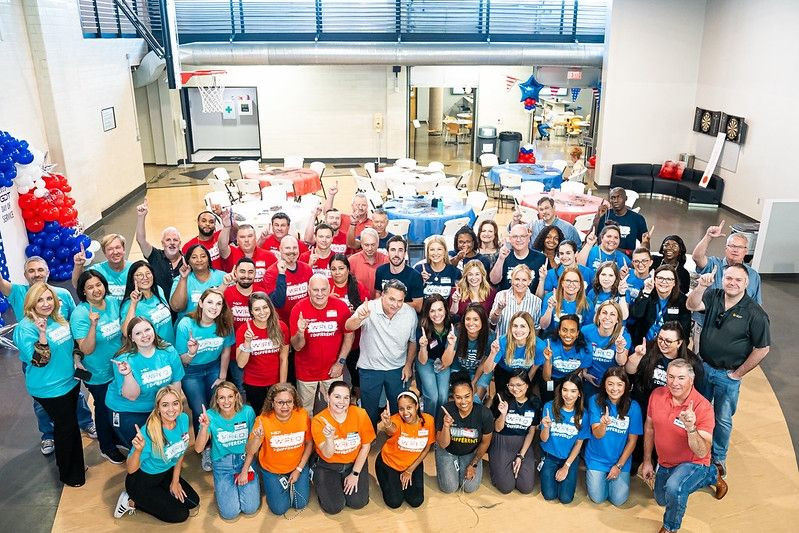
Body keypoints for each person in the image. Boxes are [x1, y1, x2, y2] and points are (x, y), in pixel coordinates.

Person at [1, 256, 95, 454]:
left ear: (48, 272)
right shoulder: (18, 292)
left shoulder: (62, 294)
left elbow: (72, 321)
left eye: (40, 270)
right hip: (37, 358)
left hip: (64, 355)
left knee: (74, 394)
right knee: (42, 403)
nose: (36, 274)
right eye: (32, 271)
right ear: (25, 275)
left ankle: (86, 422)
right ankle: (48, 435)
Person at [686, 263, 770, 475]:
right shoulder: (713, 295)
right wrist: (700, 287)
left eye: (738, 280)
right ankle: (696, 450)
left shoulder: (755, 313)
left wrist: (738, 373)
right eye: (729, 279)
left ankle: (719, 458)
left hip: (728, 375)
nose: (732, 283)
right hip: (704, 368)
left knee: (722, 419)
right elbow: (691, 305)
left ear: (747, 283)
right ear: (722, 279)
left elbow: (762, 349)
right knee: (698, 412)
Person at [642, 359, 727, 533]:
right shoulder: (657, 395)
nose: (675, 383)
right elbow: (649, 428)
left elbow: (702, 450)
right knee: (661, 499)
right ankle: (712, 474)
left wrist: (691, 428)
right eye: (671, 377)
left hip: (694, 461)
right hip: (665, 462)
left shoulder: (703, 408)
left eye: (681, 378)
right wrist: (647, 461)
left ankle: (670, 527)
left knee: (675, 488)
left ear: (691, 380)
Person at [13, 282, 86, 486]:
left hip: (69, 382)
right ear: (31, 303)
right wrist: (43, 334)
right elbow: (39, 360)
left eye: (48, 299)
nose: (45, 304)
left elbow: (71, 346)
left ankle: (76, 466)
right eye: (40, 300)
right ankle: (70, 474)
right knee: (66, 428)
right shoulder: (25, 328)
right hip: (49, 389)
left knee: (69, 426)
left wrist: (77, 359)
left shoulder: (58, 318)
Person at [113, 386, 199, 523]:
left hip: (166, 473)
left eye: (175, 403)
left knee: (193, 502)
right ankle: (130, 501)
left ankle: (160, 496)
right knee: (181, 514)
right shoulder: (148, 432)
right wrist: (138, 450)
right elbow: (130, 470)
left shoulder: (182, 419)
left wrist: (175, 481)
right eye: (165, 405)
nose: (171, 409)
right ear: (158, 408)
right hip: (143, 481)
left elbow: (180, 451)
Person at [175, 288, 234, 470]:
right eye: (209, 302)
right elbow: (181, 360)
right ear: (200, 303)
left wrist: (222, 376)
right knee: (200, 409)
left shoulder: (224, 324)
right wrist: (191, 353)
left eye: (218, 304)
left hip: (213, 368)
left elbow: (226, 350)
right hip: (191, 371)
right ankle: (205, 448)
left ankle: (219, 442)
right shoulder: (186, 324)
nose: (214, 307)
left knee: (217, 406)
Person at [71, 270, 126, 464]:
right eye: (90, 287)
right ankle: (106, 447)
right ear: (83, 291)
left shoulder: (111, 302)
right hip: (98, 374)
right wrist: (93, 324)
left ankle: (116, 437)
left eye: (98, 285)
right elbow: (86, 348)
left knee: (116, 407)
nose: (96, 290)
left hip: (117, 368)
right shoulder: (80, 314)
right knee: (103, 409)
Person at [345, 279, 417, 424]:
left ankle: (398, 437)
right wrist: (359, 317)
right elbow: (348, 326)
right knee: (369, 409)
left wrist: (408, 365)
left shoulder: (410, 313)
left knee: (399, 408)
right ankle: (369, 440)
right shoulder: (368, 308)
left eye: (400, 300)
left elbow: (413, 341)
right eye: (391, 299)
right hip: (370, 369)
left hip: (397, 369)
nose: (395, 304)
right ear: (382, 294)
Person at [106, 317, 184, 447]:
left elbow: (176, 383)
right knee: (141, 449)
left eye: (147, 329)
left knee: (163, 445)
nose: (145, 335)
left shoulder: (168, 350)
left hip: (156, 407)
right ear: (131, 338)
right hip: (128, 409)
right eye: (138, 333)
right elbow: (131, 396)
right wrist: (128, 374)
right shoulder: (124, 360)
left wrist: (172, 409)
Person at [690, 220, 762, 350]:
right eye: (731, 246)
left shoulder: (753, 275)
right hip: (706, 326)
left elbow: (756, 305)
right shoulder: (713, 265)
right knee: (700, 363)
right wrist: (708, 237)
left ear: (746, 251)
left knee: (727, 365)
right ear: (725, 248)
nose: (735, 250)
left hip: (735, 331)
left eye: (739, 247)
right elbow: (697, 257)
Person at [244, 383, 313, 515]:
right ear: (272, 403)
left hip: (297, 466)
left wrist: (298, 470)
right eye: (280, 402)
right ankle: (272, 484)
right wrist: (257, 439)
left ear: (294, 402)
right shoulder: (262, 420)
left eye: (289, 402)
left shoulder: (302, 415)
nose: (285, 406)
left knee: (300, 504)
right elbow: (250, 451)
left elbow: (309, 444)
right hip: (272, 470)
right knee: (279, 509)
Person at [290, 274, 355, 414]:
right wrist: (300, 332)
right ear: (308, 290)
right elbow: (297, 346)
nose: (320, 294)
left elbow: (349, 336)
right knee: (305, 412)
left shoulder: (340, 306)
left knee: (336, 409)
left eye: (323, 289)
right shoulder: (298, 309)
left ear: (330, 288)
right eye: (315, 290)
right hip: (306, 372)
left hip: (333, 370)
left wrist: (341, 362)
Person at [194, 382, 259, 520]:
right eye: (222, 398)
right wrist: (204, 427)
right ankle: (223, 486)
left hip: (245, 460)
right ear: (216, 400)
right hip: (223, 464)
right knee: (230, 513)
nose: (226, 401)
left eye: (230, 396)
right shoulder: (210, 416)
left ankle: (234, 487)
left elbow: (252, 447)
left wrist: (244, 471)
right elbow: (198, 448)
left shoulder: (247, 412)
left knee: (250, 508)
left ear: (236, 397)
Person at [311, 381, 376, 514]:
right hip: (328, 465)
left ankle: (345, 479)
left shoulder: (360, 414)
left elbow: (366, 445)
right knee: (334, 507)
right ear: (328, 397)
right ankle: (316, 474)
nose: (342, 402)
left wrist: (355, 473)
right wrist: (329, 438)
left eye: (346, 397)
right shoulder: (318, 420)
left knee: (358, 503)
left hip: (353, 463)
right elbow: (328, 454)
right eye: (337, 397)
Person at [584, 367, 642, 506]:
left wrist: (619, 466)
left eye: (619, 384)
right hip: (597, 458)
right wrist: (603, 424)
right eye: (610, 384)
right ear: (604, 384)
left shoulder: (633, 407)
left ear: (626, 386)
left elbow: (632, 441)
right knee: (598, 498)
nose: (614, 388)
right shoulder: (595, 401)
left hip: (620, 460)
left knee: (618, 500)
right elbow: (597, 435)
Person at [435, 372, 494, 493]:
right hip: (448, 450)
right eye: (458, 397)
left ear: (473, 393)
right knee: (449, 488)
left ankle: (463, 463)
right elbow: (442, 444)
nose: (463, 401)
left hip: (470, 452)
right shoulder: (446, 410)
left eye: (467, 396)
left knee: (469, 487)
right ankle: (453, 463)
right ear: (453, 397)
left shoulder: (484, 414)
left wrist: (474, 464)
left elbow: (485, 443)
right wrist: (446, 426)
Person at [375, 390, 435, 508]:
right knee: (395, 502)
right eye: (401, 409)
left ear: (417, 406)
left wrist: (410, 470)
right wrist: (386, 424)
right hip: (389, 463)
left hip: (412, 464)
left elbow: (427, 447)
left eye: (409, 408)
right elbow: (391, 430)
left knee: (416, 501)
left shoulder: (428, 420)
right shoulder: (396, 419)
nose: (405, 412)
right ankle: (385, 475)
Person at [538, 372, 590, 504]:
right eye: (565, 390)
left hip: (569, 459)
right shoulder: (549, 407)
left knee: (566, 498)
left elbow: (579, 444)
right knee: (549, 495)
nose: (568, 395)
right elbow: (543, 439)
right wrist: (545, 427)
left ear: (579, 394)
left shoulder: (583, 414)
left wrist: (566, 466)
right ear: (560, 391)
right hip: (550, 456)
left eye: (573, 391)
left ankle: (565, 475)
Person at [488, 370, 541, 494]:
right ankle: (497, 467)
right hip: (503, 440)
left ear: (527, 385)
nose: (515, 389)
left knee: (526, 488)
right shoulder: (502, 398)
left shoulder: (534, 402)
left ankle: (511, 465)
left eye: (519, 385)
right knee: (506, 487)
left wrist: (521, 455)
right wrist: (503, 414)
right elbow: (498, 428)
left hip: (523, 443)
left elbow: (531, 431)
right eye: (511, 385)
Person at [236, 292, 289, 414]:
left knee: (278, 414)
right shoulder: (244, 330)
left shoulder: (281, 327)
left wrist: (282, 385)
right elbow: (241, 364)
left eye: (265, 307)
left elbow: (284, 358)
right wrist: (247, 343)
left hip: (275, 382)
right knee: (261, 416)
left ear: (270, 307)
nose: (262, 312)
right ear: (251, 312)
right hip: (253, 384)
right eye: (257, 309)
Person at [329, 254, 369, 400]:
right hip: (333, 340)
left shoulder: (358, 287)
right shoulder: (326, 287)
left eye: (341, 268)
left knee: (356, 377)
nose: (337, 272)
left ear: (348, 269)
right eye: (333, 269)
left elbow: (366, 312)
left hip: (355, 342)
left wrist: (352, 313)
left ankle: (358, 401)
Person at [475, 311, 539, 400]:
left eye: (523, 326)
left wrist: (524, 389)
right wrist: (493, 353)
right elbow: (486, 370)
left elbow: (532, 372)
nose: (518, 330)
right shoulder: (502, 341)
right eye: (515, 326)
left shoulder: (539, 345)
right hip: (504, 373)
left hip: (525, 375)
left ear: (530, 328)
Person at [536, 315, 593, 404]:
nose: (568, 335)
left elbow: (580, 368)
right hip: (551, 378)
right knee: (549, 401)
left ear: (577, 333)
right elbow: (546, 378)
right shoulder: (548, 345)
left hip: (570, 377)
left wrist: (565, 383)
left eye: (572, 331)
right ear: (559, 331)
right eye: (564, 330)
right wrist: (548, 359)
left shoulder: (586, 348)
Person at [416, 294, 457, 416]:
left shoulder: (453, 323)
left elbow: (448, 361)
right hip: (426, 360)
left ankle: (440, 424)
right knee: (433, 397)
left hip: (444, 361)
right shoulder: (422, 327)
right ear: (427, 313)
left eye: (440, 309)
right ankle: (429, 422)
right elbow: (422, 361)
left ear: (445, 309)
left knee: (443, 396)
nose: (437, 314)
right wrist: (423, 347)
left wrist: (450, 345)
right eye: (432, 311)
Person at [630, 265, 691, 345]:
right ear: (654, 280)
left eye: (669, 279)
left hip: (668, 346)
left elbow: (684, 332)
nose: (664, 282)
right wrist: (646, 292)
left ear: (674, 283)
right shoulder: (646, 292)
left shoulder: (682, 300)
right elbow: (636, 314)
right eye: (660, 278)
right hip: (644, 345)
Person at [581, 300, 631, 397]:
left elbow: (621, 362)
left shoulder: (624, 336)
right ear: (598, 315)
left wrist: (620, 349)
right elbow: (580, 354)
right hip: (591, 381)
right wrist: (583, 372)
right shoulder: (586, 331)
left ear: (617, 319)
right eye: (604, 313)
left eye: (612, 314)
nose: (607, 317)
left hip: (612, 385)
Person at [134, 198, 183, 298]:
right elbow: (141, 240)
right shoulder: (155, 256)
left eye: (175, 240)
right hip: (161, 308)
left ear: (180, 243)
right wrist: (141, 217)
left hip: (182, 308)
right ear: (162, 243)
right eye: (168, 240)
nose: (172, 243)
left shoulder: (187, 260)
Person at [262, 235, 313, 324]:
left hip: (304, 321)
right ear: (280, 249)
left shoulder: (307, 269)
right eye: (287, 248)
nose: (292, 251)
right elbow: (278, 303)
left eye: (295, 248)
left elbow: (311, 297)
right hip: (282, 324)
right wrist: (281, 274)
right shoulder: (271, 273)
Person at [121, 260, 175, 344]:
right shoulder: (130, 304)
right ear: (132, 279)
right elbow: (126, 332)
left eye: (148, 273)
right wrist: (134, 304)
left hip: (170, 348)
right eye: (139, 275)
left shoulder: (158, 290)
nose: (145, 277)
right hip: (153, 351)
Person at [169, 244, 226, 321]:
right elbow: (177, 307)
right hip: (188, 329)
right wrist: (183, 278)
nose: (199, 260)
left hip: (215, 327)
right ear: (188, 261)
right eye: (194, 257)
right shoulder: (180, 279)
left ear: (208, 259)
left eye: (203, 256)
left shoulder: (222, 277)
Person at [72, 234, 132, 302]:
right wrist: (78, 265)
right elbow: (78, 285)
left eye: (117, 247)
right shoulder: (97, 270)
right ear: (104, 253)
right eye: (110, 249)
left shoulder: (134, 269)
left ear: (123, 249)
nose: (115, 252)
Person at [489, 223, 546, 293]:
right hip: (506, 301)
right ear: (510, 239)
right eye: (515, 236)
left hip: (531, 302)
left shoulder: (541, 258)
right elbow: (494, 281)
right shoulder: (502, 256)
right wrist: (501, 259)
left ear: (528, 238)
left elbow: (546, 288)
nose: (519, 240)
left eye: (522, 236)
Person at [594, 187, 651, 254]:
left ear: (626, 198)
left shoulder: (638, 219)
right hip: (606, 256)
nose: (615, 201)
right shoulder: (605, 215)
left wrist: (646, 242)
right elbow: (596, 239)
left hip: (627, 259)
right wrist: (597, 217)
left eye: (619, 197)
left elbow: (646, 247)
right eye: (613, 198)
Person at [488, 264, 542, 335]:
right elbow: (493, 322)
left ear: (529, 281)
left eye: (524, 280)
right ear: (511, 280)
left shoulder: (536, 301)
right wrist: (499, 309)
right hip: (503, 343)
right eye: (517, 279)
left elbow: (536, 328)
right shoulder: (501, 295)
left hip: (525, 344)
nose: (520, 283)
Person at [374, 236, 424, 312]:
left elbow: (418, 306)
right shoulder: (380, 271)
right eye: (393, 250)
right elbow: (378, 293)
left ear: (405, 253)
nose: (396, 254)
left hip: (406, 316)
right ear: (387, 253)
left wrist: (393, 305)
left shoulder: (415, 276)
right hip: (384, 315)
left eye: (400, 250)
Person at [539, 266, 594, 332]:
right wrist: (550, 308)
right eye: (568, 281)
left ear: (580, 285)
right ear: (562, 283)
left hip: (576, 339)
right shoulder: (550, 297)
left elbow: (587, 331)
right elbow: (543, 326)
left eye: (575, 281)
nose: (571, 284)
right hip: (553, 338)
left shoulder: (587, 303)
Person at [452, 304, 495, 383]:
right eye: (468, 319)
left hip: (478, 370)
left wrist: (474, 382)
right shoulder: (457, 331)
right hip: (458, 369)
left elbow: (484, 362)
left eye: (475, 319)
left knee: (477, 394)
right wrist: (451, 345)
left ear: (482, 320)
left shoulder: (490, 336)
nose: (471, 323)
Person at [415, 235, 462, 300]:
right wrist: (421, 282)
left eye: (439, 249)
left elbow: (458, 295)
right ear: (428, 252)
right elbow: (413, 295)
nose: (435, 253)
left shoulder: (454, 271)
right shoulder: (419, 269)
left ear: (445, 251)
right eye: (432, 250)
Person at [348, 228, 389, 299]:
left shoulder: (386, 260)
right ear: (361, 244)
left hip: (381, 305)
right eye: (366, 245)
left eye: (373, 245)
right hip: (358, 304)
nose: (370, 248)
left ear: (378, 243)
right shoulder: (352, 261)